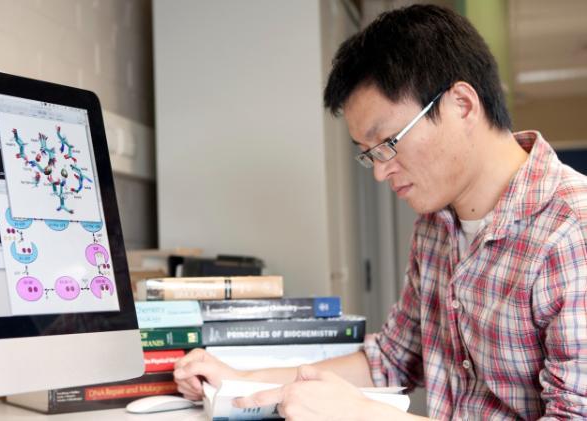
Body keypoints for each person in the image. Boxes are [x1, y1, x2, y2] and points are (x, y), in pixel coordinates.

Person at [173, 4, 587, 420]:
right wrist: (242, 377)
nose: (380, 171)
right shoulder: (436, 223)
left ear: (461, 104)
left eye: (387, 141)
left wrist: (370, 416)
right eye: (369, 155)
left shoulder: (571, 230)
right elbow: (390, 358)